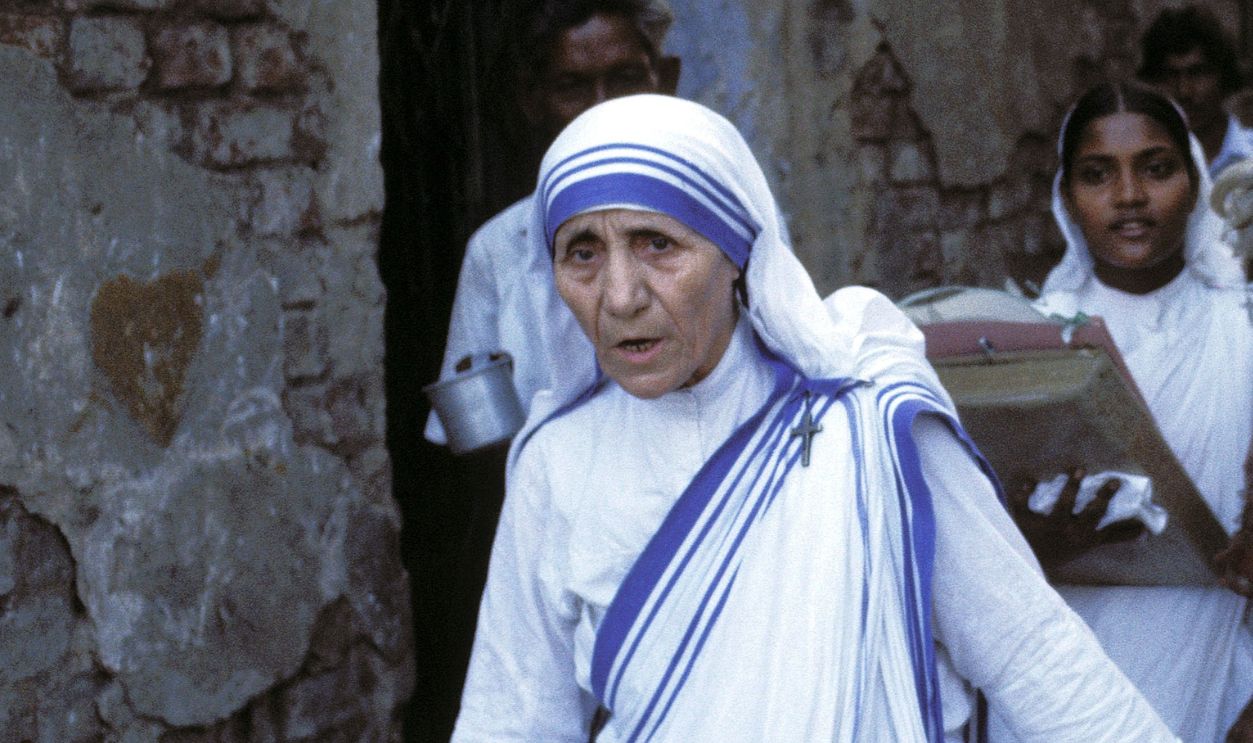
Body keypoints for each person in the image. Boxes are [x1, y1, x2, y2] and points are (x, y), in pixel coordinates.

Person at [451, 94, 1177, 742]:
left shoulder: (865, 418)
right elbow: (512, 717)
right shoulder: (557, 458)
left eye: (656, 244)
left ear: (738, 254)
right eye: (582, 252)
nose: (618, 294)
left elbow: (1028, 650)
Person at [1009, 81, 1253, 742]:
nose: (1128, 196)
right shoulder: (1024, 345)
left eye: (1155, 168)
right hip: (1062, 679)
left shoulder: (1242, 330)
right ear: (1065, 198)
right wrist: (1029, 541)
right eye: (1096, 175)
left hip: (1208, 665)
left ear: (1196, 182)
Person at [425, 0, 680, 445]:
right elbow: (479, 442)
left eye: (625, 79)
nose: (602, 108)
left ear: (666, 81)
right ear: (531, 99)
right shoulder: (501, 250)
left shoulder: (723, 219)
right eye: (572, 87)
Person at [1138, 5, 1253, 178]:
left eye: (1198, 73)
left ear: (1224, 76)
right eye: (1171, 75)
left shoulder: (1250, 154)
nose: (1184, 91)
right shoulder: (1144, 162)